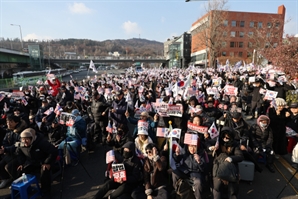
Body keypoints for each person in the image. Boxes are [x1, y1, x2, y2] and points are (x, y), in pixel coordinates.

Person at [14, 128, 58, 198]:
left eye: (27, 139)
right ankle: (19, 190)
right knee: (19, 170)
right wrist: (22, 163)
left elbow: (53, 152)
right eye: (23, 139)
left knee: (44, 171)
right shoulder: (21, 144)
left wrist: (47, 162)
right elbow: (18, 153)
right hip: (31, 162)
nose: (24, 141)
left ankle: (46, 192)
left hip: (43, 162)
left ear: (32, 138)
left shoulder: (41, 143)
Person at [211, 127, 243, 199]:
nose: (225, 138)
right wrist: (211, 148)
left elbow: (240, 156)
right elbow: (207, 143)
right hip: (218, 167)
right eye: (224, 136)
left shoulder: (235, 144)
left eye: (227, 137)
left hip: (231, 167)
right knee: (217, 186)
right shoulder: (217, 142)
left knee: (232, 187)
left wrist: (231, 158)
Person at [0, 115, 27, 188]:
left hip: (21, 154)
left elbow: (18, 145)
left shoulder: (21, 131)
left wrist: (6, 149)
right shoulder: (9, 131)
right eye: (7, 121)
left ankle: (18, 181)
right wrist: (4, 148)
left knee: (9, 166)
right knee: (1, 164)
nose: (8, 123)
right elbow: (5, 141)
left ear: (16, 122)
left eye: (11, 122)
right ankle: (6, 179)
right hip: (11, 153)